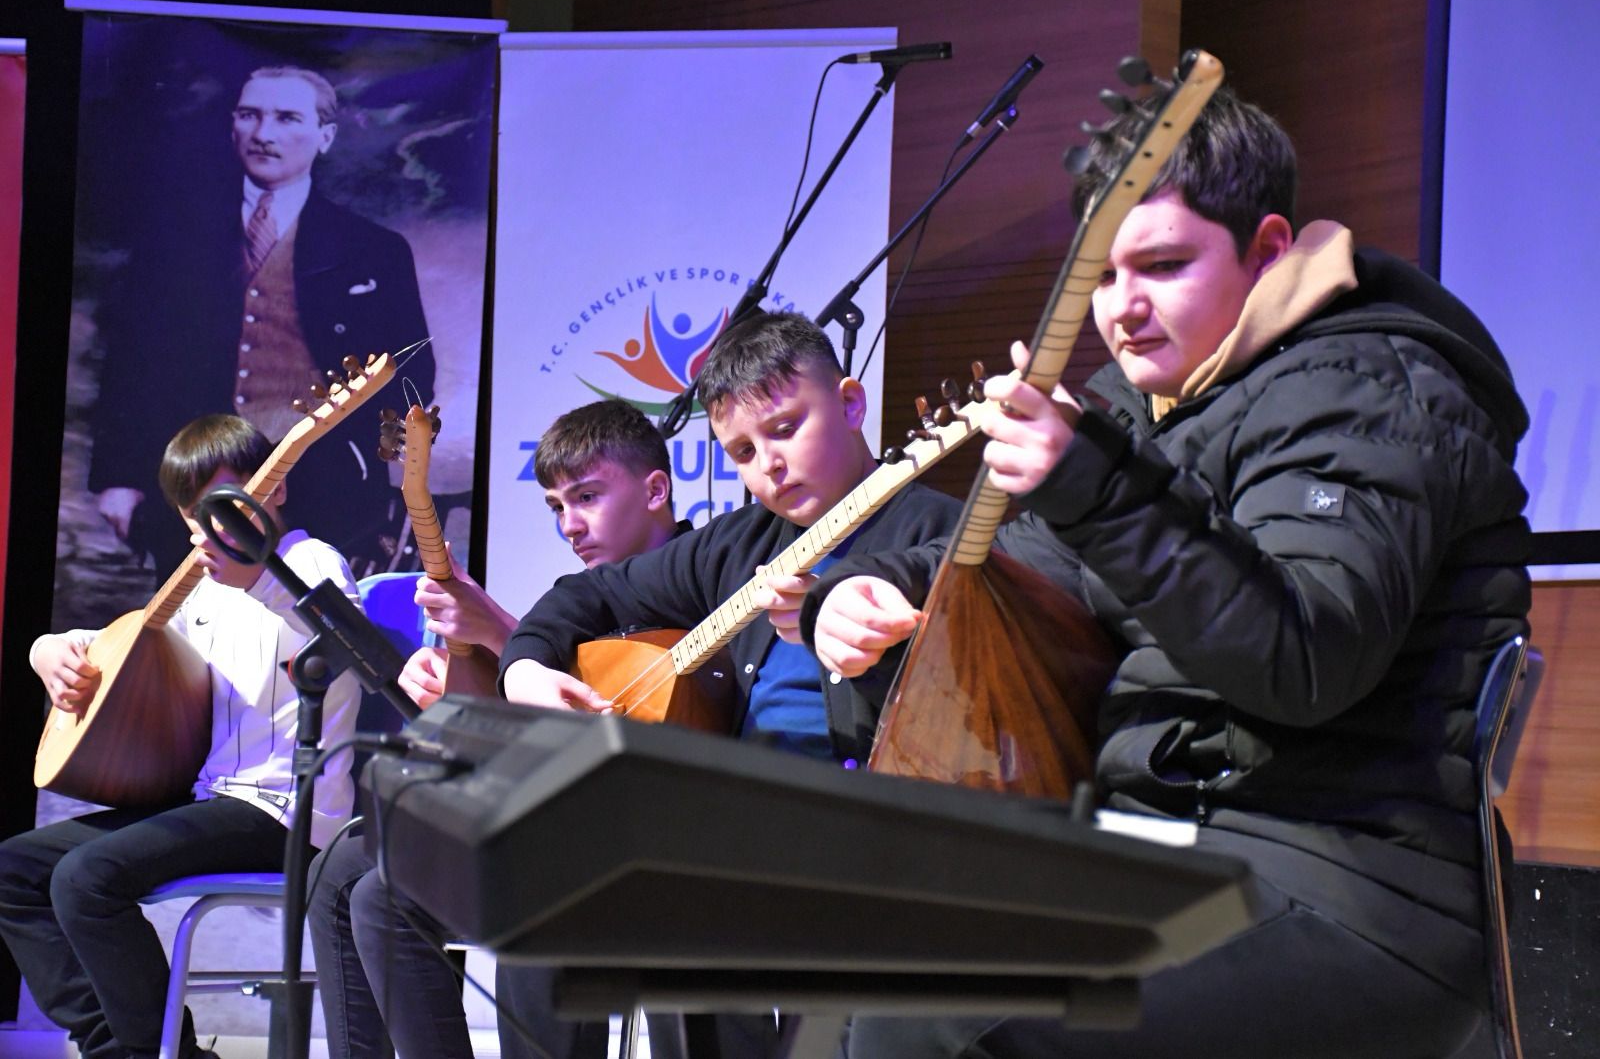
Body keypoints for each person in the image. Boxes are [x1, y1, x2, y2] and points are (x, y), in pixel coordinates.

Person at [804, 89, 1531, 1058]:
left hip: (1347, 887)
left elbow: (1303, 657)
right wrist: (867, 591)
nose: (1120, 309)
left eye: (1162, 266)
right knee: (848, 958)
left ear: (1267, 250)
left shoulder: (1372, 389)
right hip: (1165, 850)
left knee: (930, 1014)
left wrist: (1091, 484)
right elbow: (1030, 571)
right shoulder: (1152, 405)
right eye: (1100, 277)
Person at [498, 311, 962, 1057]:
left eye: (785, 428)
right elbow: (585, 597)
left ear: (850, 403)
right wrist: (525, 670)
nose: (767, 466)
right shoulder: (740, 543)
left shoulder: (940, 530)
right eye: (742, 451)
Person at [308, 398, 687, 1059]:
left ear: (656, 489)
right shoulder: (576, 598)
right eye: (555, 507)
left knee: (521, 893)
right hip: (556, 818)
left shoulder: (702, 575)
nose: (570, 524)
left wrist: (496, 631)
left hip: (645, 836)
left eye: (587, 497)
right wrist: (460, 677)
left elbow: (629, 718)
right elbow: (523, 727)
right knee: (348, 873)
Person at [0, 413, 361, 1059]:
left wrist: (252, 568)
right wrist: (45, 648)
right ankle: (121, 1046)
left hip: (286, 813)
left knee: (86, 880)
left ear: (273, 489)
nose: (204, 536)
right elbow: (117, 644)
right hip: (213, 800)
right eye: (192, 519)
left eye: (221, 511)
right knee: (15, 869)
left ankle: (156, 1053)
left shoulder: (310, 562)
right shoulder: (201, 591)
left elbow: (340, 640)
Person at [88, 64, 432, 579]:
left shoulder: (374, 250)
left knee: (320, 638)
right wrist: (119, 477)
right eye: (250, 115)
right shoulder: (175, 241)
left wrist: (374, 464)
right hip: (197, 486)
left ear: (325, 135)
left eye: (287, 117)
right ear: (233, 126)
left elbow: (411, 372)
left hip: (327, 489)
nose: (264, 134)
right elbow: (131, 362)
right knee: (196, 638)